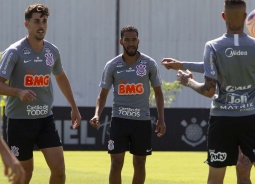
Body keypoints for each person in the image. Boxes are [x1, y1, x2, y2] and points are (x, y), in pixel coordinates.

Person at [162, 4, 255, 184]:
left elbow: (210, 85)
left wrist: (188, 80)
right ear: (246, 19)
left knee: (220, 178)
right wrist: (182, 64)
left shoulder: (216, 46)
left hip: (246, 119)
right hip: (252, 118)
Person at [0, 4, 81, 184]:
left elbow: (60, 77)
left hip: (45, 119)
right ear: (26, 24)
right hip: (19, 122)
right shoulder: (14, 52)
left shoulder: (52, 51)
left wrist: (74, 107)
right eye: (36, 21)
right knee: (24, 174)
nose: (41, 25)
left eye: (44, 21)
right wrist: (18, 92)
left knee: (59, 170)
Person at [89, 25, 166, 184]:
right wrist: (97, 114)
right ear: (121, 41)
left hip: (142, 121)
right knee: (116, 163)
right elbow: (103, 95)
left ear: (138, 41)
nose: (131, 43)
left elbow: (158, 92)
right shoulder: (112, 65)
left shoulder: (149, 64)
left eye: (133, 40)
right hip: (119, 120)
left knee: (139, 163)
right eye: (127, 40)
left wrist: (161, 118)